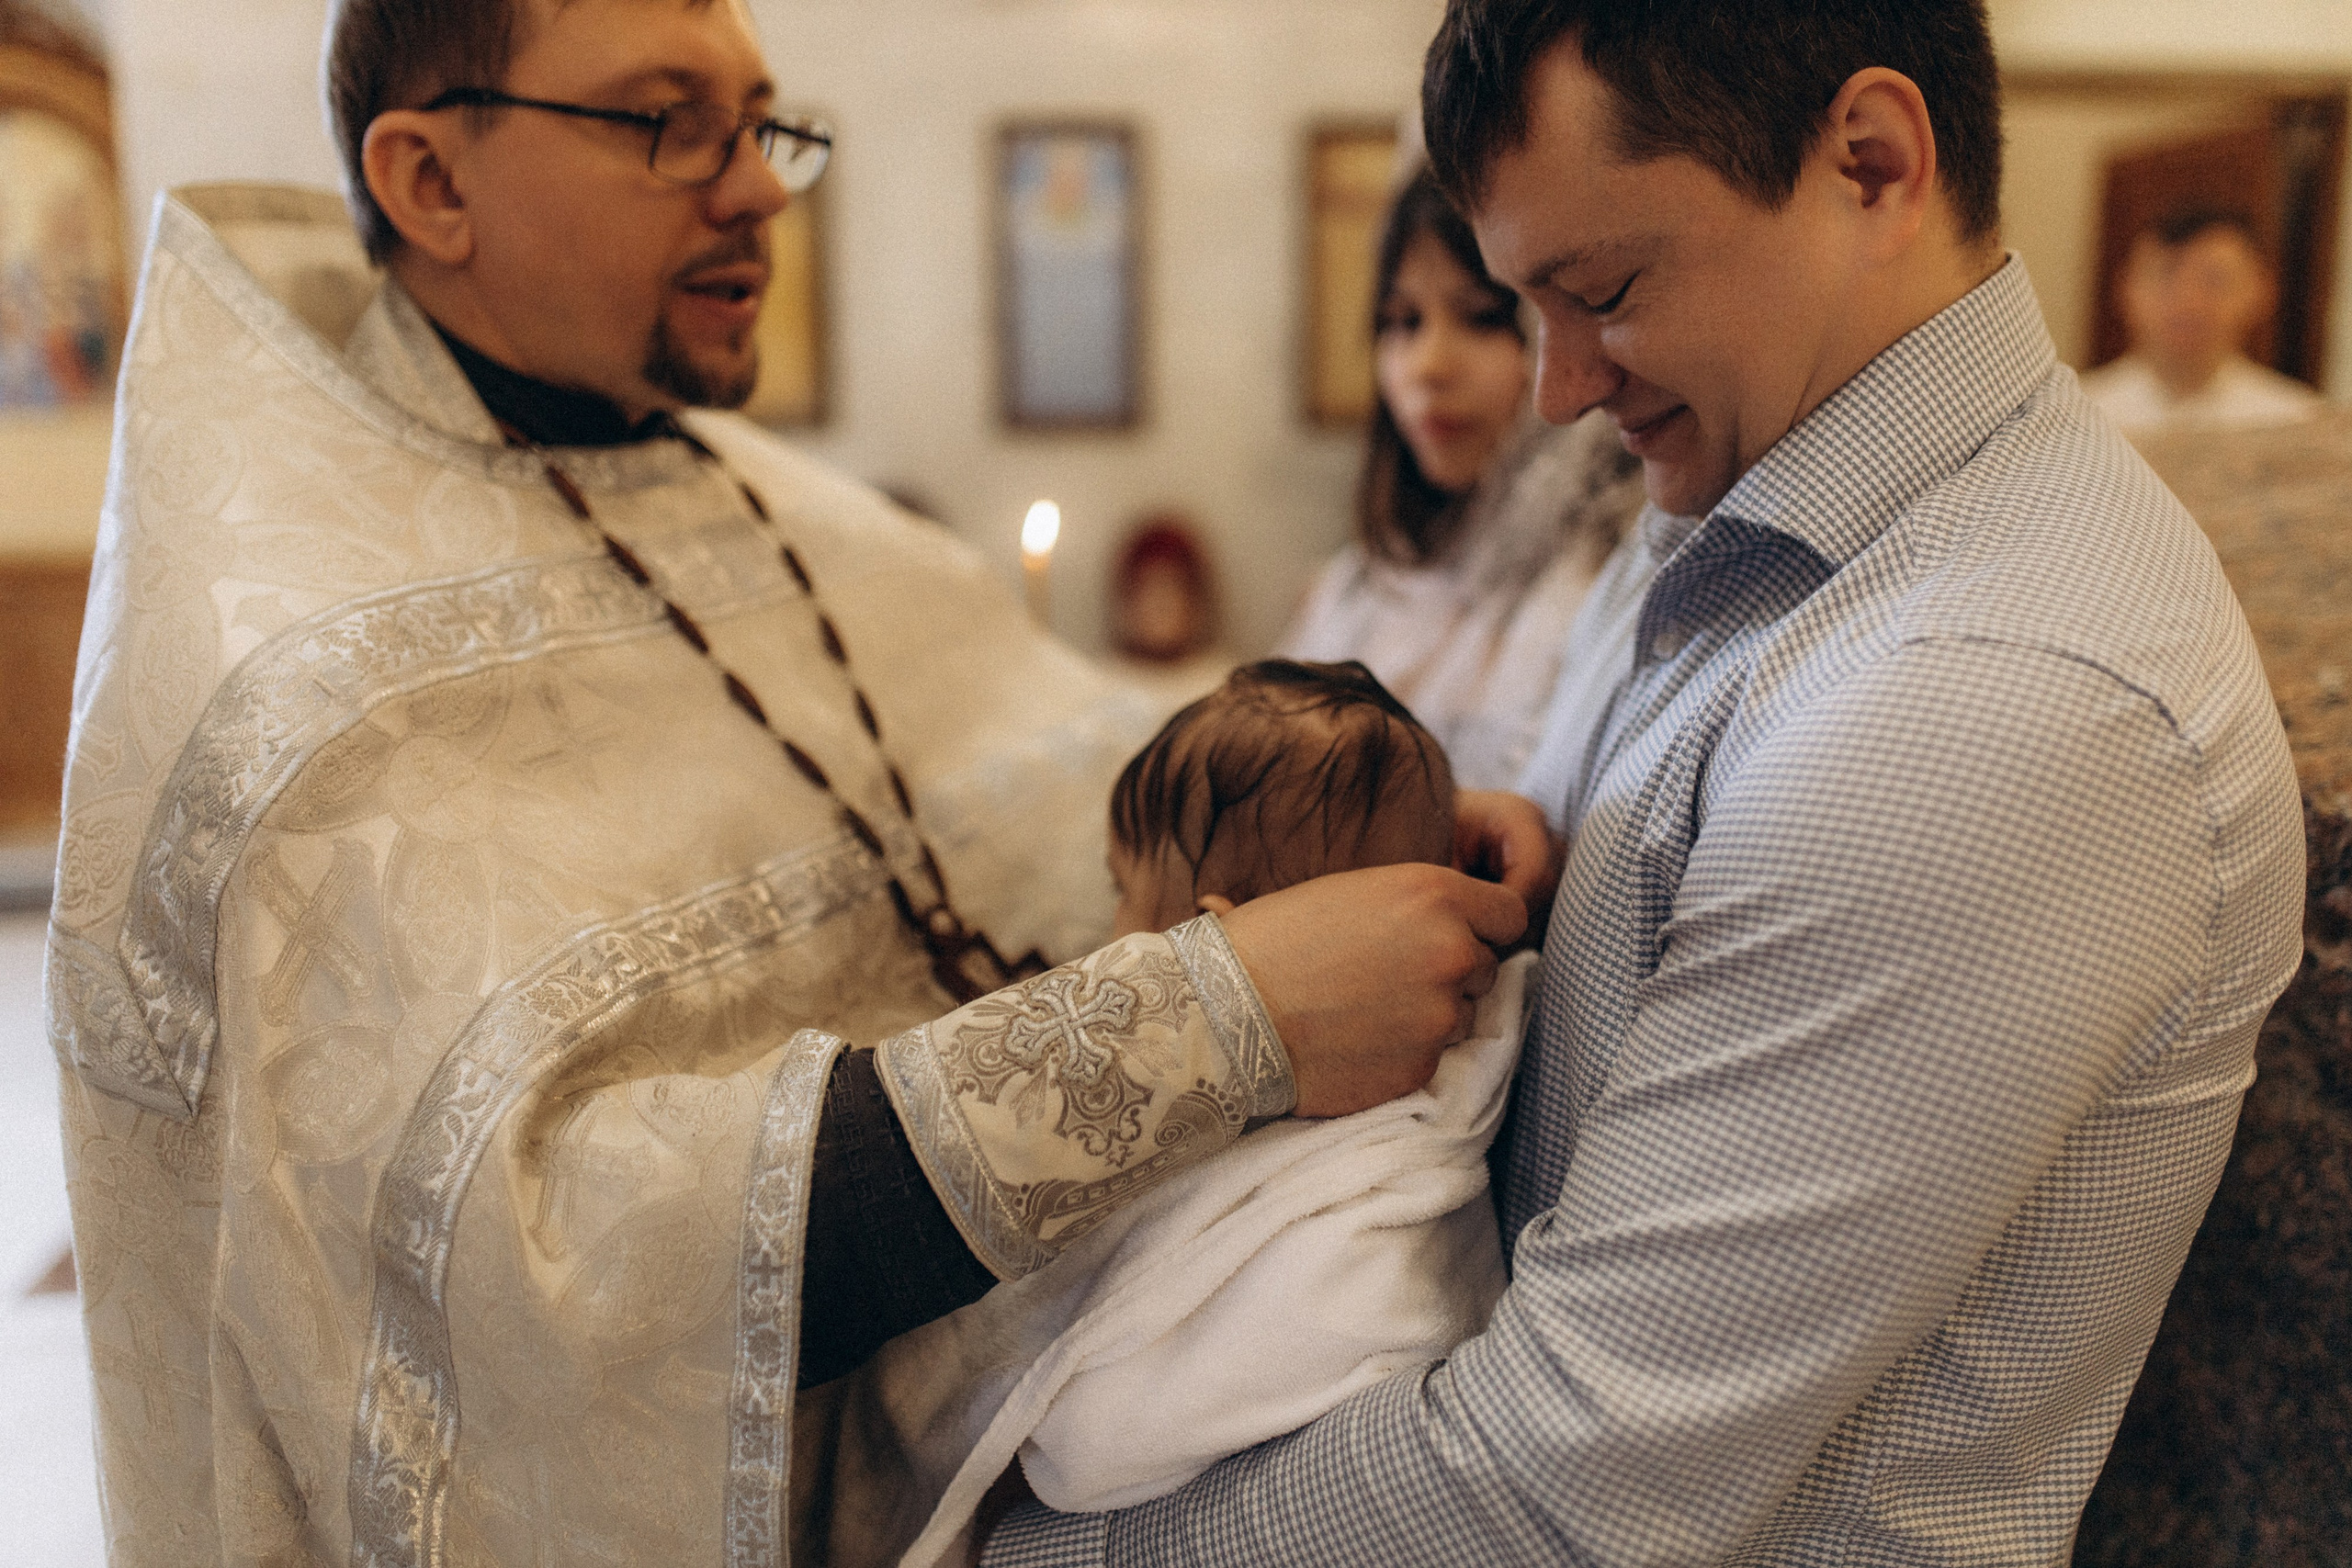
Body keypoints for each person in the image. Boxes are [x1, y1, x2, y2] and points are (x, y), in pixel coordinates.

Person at [44, 2, 1553, 1563]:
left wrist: (1373, 827)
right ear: (433, 182)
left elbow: (1068, 765)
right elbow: (514, 1270)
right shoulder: (288, 695)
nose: (763, 186)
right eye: (668, 123)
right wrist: (1219, 1018)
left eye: (760, 122)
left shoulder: (738, 489)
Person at [985, 1, 2308, 1562]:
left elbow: (1558, 1487)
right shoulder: (1742, 492)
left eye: (1603, 291)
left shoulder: (1993, 699)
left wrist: (997, 1551)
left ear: (1871, 164)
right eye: (1528, 304)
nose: (1555, 390)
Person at [832, 660, 1537, 1567]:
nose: (1110, 932)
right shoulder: (1480, 1031)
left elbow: (1097, 1444)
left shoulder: (1344, 1184)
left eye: (1122, 891)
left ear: (1213, 935)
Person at [1283, 168, 1645, 792]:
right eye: (1402, 321)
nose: (1429, 366)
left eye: (1481, 318)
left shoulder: (1612, 590)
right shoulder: (1359, 585)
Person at [2081, 206, 2324, 434]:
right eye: (2166, 276)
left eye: (2214, 280)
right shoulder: (2075, 416)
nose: (2188, 301)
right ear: (2125, 287)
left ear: (2261, 292)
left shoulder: (2301, 423)